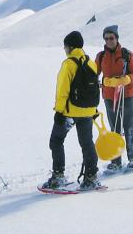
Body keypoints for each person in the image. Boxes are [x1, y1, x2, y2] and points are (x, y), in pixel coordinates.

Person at [42, 30, 101, 191]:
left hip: (70, 111)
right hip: (88, 111)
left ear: (70, 46)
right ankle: (91, 177)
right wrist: (94, 109)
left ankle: (58, 176)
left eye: (65, 46)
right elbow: (95, 89)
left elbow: (62, 91)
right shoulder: (91, 63)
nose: (64, 49)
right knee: (87, 143)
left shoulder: (68, 64)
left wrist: (59, 112)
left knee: (56, 140)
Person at [96, 25, 133, 171]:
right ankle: (116, 161)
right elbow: (94, 74)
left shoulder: (126, 54)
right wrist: (103, 82)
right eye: (106, 38)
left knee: (128, 126)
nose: (109, 41)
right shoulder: (101, 56)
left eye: (112, 38)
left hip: (127, 95)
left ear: (117, 38)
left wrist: (126, 79)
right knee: (114, 128)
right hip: (109, 97)